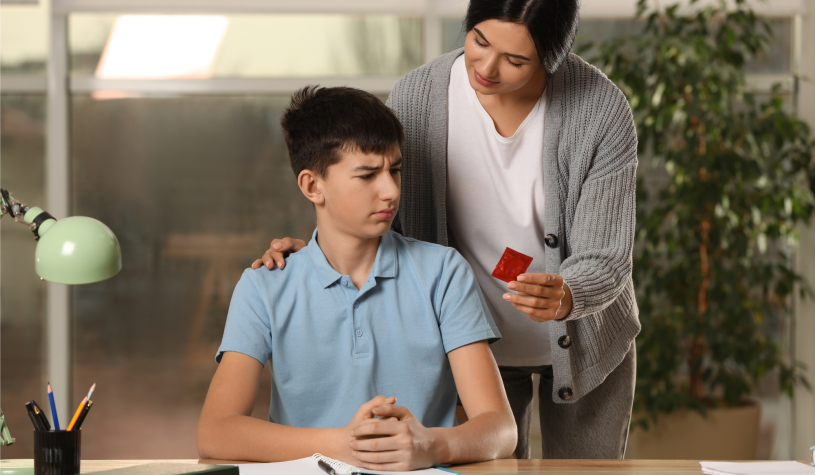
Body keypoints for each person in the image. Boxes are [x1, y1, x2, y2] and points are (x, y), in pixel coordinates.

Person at [254, 0, 641, 460]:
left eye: (515, 60)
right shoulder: (419, 97)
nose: (487, 68)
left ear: (551, 58)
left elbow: (607, 253)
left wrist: (569, 293)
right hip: (468, 344)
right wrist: (321, 252)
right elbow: (375, 198)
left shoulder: (599, 109)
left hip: (586, 342)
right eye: (479, 41)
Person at [197, 86, 517, 469]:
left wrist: (430, 446)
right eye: (367, 175)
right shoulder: (264, 286)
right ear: (313, 186)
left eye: (395, 170)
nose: (391, 191)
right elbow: (215, 433)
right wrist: (343, 444)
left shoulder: (444, 272)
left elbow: (501, 429)